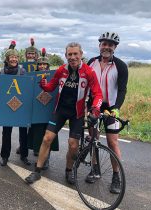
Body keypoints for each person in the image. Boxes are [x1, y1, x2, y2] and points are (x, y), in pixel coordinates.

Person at [25, 42, 103, 184]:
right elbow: (51, 86)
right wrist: (44, 85)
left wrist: (95, 109)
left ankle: (68, 171)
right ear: (66, 55)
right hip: (60, 110)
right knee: (47, 138)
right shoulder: (61, 70)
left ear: (81, 54)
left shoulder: (89, 72)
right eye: (70, 54)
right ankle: (37, 171)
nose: (72, 57)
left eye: (75, 54)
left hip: (77, 113)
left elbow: (98, 94)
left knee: (73, 145)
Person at [86, 32, 128, 194]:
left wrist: (117, 107)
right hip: (94, 107)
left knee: (112, 142)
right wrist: (86, 106)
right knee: (94, 139)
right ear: (99, 45)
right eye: (104, 44)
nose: (106, 47)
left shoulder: (120, 66)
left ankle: (116, 176)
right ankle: (95, 169)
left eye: (110, 45)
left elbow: (122, 89)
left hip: (111, 108)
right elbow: (87, 85)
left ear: (115, 47)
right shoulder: (91, 62)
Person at [0, 40, 31, 167]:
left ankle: (24, 155)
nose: (14, 59)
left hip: (20, 106)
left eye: (16, 57)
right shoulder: (1, 72)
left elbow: (26, 89)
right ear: (7, 59)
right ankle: (5, 156)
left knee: (23, 132)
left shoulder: (22, 72)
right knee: (6, 132)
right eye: (11, 57)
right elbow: (0, 90)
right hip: (7, 106)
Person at [27, 48, 59, 170]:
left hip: (49, 110)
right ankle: (39, 155)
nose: (42, 66)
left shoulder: (54, 76)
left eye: (44, 64)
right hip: (37, 110)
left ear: (48, 65)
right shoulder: (32, 77)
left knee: (49, 134)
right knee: (38, 133)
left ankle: (46, 159)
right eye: (40, 64)